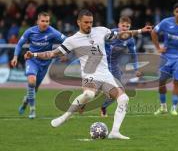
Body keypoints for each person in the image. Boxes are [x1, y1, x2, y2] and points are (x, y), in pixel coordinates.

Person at [24, 9, 152, 139]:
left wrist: (140, 31)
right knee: (89, 94)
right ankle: (65, 116)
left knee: (124, 99)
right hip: (89, 75)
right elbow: (52, 54)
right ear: (79, 22)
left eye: (91, 22)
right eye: (86, 22)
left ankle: (114, 132)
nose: (89, 25)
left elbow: (121, 35)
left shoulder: (101, 31)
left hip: (105, 75)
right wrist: (34, 54)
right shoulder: (72, 40)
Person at [11, 12, 66, 119]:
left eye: (47, 21)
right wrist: (15, 57)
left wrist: (62, 52)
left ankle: (26, 101)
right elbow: (19, 44)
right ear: (38, 21)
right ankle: (32, 110)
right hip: (32, 60)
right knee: (31, 81)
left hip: (45, 63)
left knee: (34, 88)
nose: (45, 23)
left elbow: (67, 41)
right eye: (43, 21)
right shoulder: (30, 31)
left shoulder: (53, 32)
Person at [100, 16, 142, 117]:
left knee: (119, 91)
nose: (125, 28)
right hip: (102, 63)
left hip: (114, 65)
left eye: (127, 26)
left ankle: (103, 107)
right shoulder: (111, 34)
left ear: (130, 27)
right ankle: (83, 103)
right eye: (123, 26)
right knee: (94, 91)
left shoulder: (130, 40)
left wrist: (136, 69)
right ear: (119, 25)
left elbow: (134, 55)